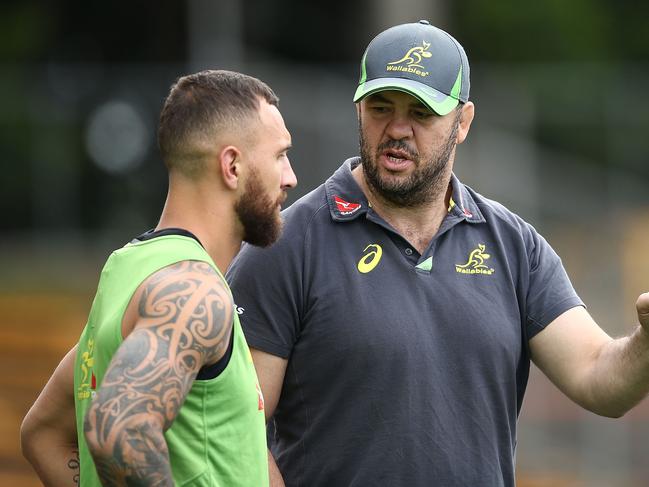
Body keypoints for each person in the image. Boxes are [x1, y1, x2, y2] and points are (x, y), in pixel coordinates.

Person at [226, 20, 649, 487]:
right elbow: (234, 426)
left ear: (463, 122)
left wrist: (646, 345)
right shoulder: (287, 246)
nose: (397, 129)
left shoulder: (514, 245)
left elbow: (598, 379)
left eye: (422, 113)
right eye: (380, 107)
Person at [20, 69, 297, 486]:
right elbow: (119, 429)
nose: (290, 177)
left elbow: (42, 434)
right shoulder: (192, 291)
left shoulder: (129, 270)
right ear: (233, 166)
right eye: (279, 156)